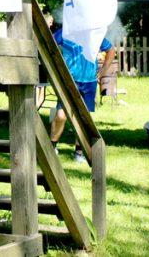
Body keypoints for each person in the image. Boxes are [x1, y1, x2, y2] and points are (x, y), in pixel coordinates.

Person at [50, 23, 116, 164]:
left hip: (89, 82)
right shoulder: (65, 32)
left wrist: (104, 70)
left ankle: (79, 151)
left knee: (83, 119)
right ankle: (52, 146)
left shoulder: (94, 33)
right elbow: (49, 45)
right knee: (61, 115)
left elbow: (111, 49)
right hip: (68, 81)